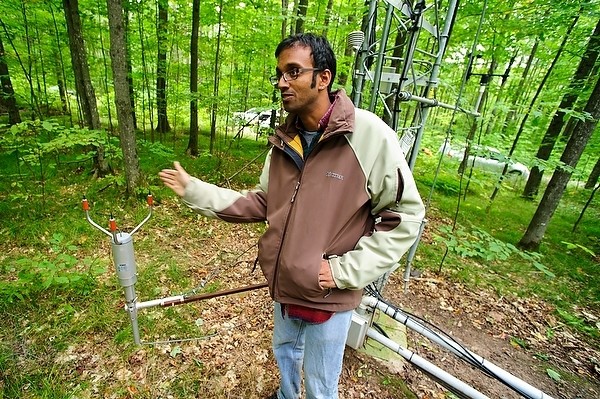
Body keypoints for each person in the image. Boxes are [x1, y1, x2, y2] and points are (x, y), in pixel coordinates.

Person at [159, 33, 425, 399]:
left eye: (293, 72)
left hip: (329, 293)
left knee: (319, 384)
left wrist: (343, 271)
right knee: (285, 358)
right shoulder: (286, 141)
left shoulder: (368, 136)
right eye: (280, 74)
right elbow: (263, 203)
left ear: (324, 77)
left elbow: (405, 215)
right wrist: (195, 190)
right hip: (285, 286)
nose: (282, 83)